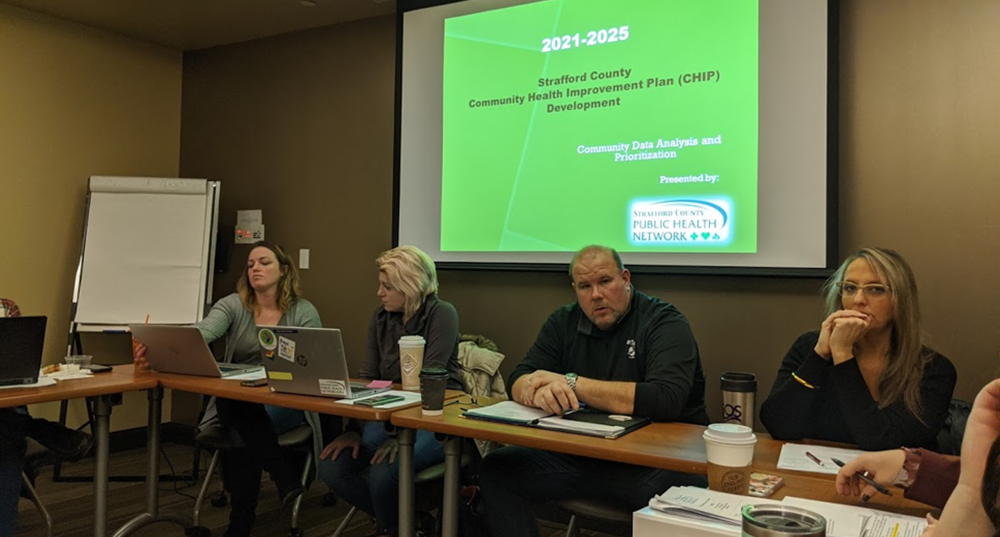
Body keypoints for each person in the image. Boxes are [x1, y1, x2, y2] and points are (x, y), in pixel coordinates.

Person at [478, 245, 709, 537]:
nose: (595, 295)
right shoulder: (563, 322)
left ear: (625, 279)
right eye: (585, 286)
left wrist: (572, 383)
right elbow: (521, 376)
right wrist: (536, 391)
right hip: (586, 456)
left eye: (605, 282)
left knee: (678, 502)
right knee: (497, 470)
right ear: (575, 289)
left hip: (655, 461)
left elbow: (665, 399)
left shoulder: (664, 322)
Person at [134, 241, 321, 537]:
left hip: (285, 401)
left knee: (238, 424)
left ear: (284, 270)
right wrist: (158, 346)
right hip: (239, 400)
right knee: (239, 407)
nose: (255, 268)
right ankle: (282, 476)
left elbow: (311, 364)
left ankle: (241, 525)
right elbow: (201, 332)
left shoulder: (304, 311)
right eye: (250, 264)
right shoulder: (234, 304)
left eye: (264, 262)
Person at [317, 245, 460, 537]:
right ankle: (406, 524)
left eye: (387, 286)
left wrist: (403, 436)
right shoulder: (381, 318)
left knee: (385, 472)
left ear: (410, 287)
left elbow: (430, 378)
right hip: (388, 419)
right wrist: (353, 428)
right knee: (330, 467)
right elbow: (369, 377)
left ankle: (393, 528)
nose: (378, 293)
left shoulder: (441, 314)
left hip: (437, 419)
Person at [760, 247, 956, 450]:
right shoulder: (808, 347)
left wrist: (843, 356)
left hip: (891, 480)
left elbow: (879, 440)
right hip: (816, 475)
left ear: (900, 300)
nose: (858, 300)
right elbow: (778, 426)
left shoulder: (933, 369)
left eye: (875, 289)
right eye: (850, 288)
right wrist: (819, 356)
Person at [0, 298, 94, 537]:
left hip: (6, 406)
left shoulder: (5, 308)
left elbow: (17, 364)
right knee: (8, 435)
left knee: (6, 436)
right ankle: (38, 430)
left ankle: (29, 430)